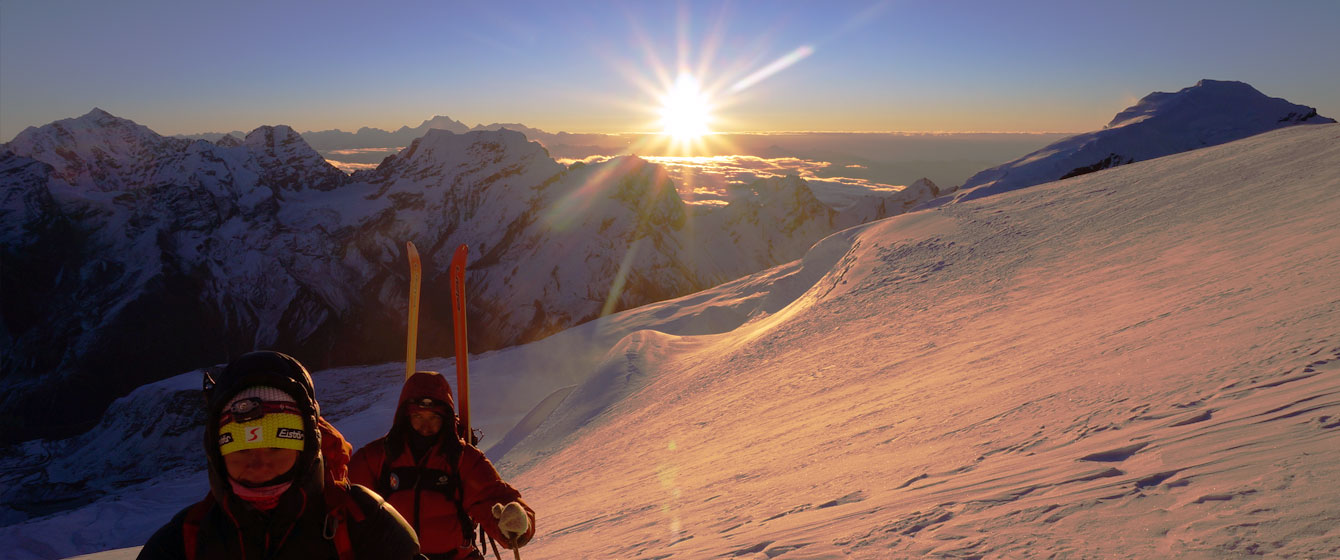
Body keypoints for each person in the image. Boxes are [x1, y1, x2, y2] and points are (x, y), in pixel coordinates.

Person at [138, 351, 421, 559]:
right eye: (242, 448)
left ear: (306, 446)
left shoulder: (368, 526)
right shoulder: (180, 543)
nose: (259, 463)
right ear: (217, 452)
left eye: (276, 446)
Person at [349, 371, 535, 560]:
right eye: (418, 416)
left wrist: (518, 525)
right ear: (406, 416)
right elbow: (346, 501)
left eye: (434, 418)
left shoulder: (463, 459)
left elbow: (492, 497)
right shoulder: (377, 457)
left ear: (445, 418)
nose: (425, 426)